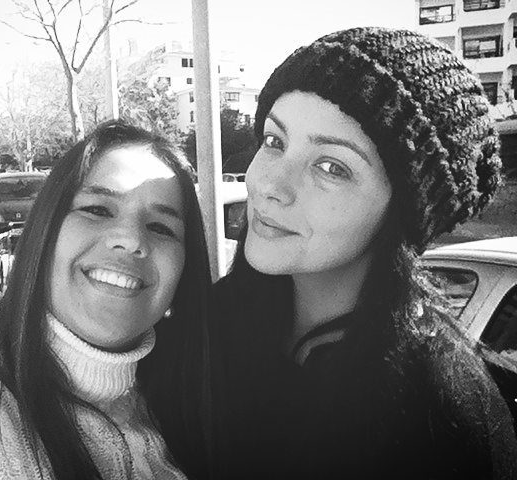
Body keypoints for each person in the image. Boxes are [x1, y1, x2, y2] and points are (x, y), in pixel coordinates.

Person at [209, 27, 517, 479]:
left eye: (331, 166)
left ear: (402, 212)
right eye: (275, 141)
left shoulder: (440, 416)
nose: (270, 185)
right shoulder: (210, 326)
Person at [0, 120, 213, 479]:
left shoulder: (196, 407)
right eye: (98, 209)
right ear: (44, 232)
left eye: (161, 227)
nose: (131, 240)